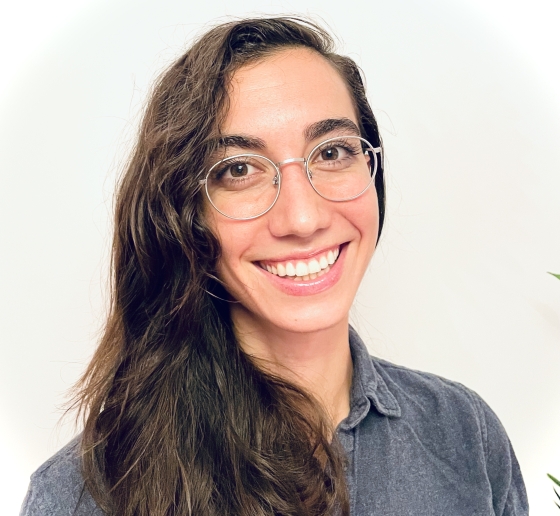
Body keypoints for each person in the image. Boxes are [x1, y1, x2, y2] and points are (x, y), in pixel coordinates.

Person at [20, 17, 528, 516]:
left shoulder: (466, 435)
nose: (303, 218)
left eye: (332, 152)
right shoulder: (83, 496)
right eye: (239, 170)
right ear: (184, 216)